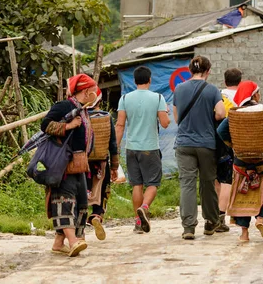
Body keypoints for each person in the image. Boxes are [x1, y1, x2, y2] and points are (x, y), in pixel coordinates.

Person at [41, 73, 98, 257]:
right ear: (87, 91)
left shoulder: (83, 109)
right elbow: (45, 125)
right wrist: (68, 126)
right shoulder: (64, 107)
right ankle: (73, 242)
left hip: (79, 165)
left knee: (81, 202)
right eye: (94, 90)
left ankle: (59, 243)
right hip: (64, 164)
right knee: (65, 201)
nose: (96, 94)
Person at [173, 56, 226, 240]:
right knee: (207, 182)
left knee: (187, 183)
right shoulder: (212, 90)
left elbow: (177, 118)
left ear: (190, 70)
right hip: (206, 144)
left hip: (184, 143)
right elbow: (221, 113)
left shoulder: (179, 89)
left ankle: (188, 227)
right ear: (208, 71)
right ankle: (211, 222)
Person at [217, 81, 263, 241]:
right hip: (261, 161)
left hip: (241, 161)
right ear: (254, 95)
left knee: (242, 195)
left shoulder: (237, 113)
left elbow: (221, 130)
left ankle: (244, 234)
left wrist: (233, 144)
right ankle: (259, 219)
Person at [115, 66, 170, 234]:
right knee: (153, 183)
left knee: (136, 185)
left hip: (131, 148)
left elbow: (120, 124)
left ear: (134, 80)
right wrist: (165, 111)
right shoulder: (158, 97)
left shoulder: (124, 98)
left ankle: (138, 223)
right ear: (150, 80)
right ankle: (144, 207)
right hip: (150, 148)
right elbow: (165, 123)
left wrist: (115, 148)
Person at [86, 89, 119, 241]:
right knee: (102, 192)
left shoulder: (81, 117)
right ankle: (97, 215)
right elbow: (113, 144)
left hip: (82, 162)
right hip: (101, 163)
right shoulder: (106, 117)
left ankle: (79, 227)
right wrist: (114, 166)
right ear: (99, 101)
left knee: (83, 192)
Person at [215, 68, 242, 233]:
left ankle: (216, 212)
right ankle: (221, 216)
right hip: (233, 141)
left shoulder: (218, 96)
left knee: (216, 179)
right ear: (240, 81)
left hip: (214, 141)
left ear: (225, 81)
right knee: (227, 181)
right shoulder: (241, 98)